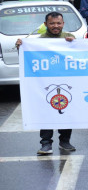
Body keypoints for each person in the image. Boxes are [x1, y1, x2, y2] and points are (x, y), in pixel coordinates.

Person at [16, 12, 77, 155]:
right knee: (46, 112)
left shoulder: (70, 37)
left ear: (63, 24)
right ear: (46, 25)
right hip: (45, 83)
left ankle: (65, 141)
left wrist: (73, 44)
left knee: (66, 111)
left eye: (58, 23)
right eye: (52, 23)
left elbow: (78, 56)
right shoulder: (38, 41)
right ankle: (45, 144)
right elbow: (28, 59)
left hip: (66, 81)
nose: (56, 26)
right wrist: (21, 47)